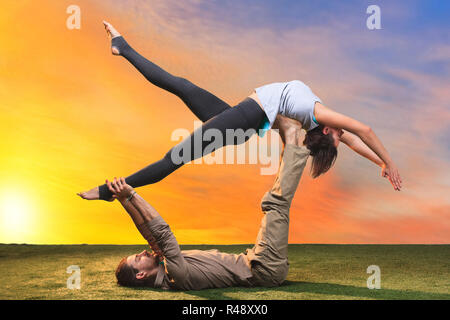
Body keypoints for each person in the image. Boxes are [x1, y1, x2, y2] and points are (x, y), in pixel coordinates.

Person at [77, 21, 401, 202]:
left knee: (174, 157)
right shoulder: (318, 117)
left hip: (244, 120)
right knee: (182, 85)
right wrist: (381, 163)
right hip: (241, 118)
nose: (343, 134)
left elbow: (364, 130)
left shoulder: (320, 118)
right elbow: (356, 140)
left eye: (338, 135)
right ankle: (122, 47)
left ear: (328, 131)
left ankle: (109, 191)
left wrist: (389, 161)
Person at [110, 117, 309, 289]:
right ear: (140, 275)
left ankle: (292, 145)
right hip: (265, 269)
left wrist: (124, 200)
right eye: (138, 258)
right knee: (275, 203)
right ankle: (293, 138)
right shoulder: (176, 275)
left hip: (255, 259)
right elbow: (162, 233)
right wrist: (132, 194)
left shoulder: (165, 265)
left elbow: (150, 233)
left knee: (274, 203)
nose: (143, 252)